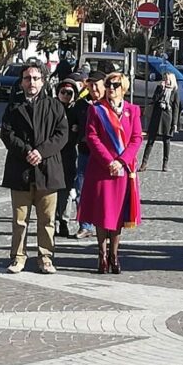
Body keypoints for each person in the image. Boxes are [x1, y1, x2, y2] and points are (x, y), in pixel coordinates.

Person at [0, 62, 68, 274]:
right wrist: (27, 151)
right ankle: (18, 256)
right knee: (20, 220)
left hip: (48, 170)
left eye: (36, 78)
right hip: (21, 170)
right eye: (28, 78)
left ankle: (46, 257)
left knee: (47, 219)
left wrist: (41, 152)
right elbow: (7, 133)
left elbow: (62, 134)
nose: (32, 82)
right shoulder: (13, 106)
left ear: (43, 81)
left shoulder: (55, 105)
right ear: (21, 82)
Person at [76, 71, 143, 274]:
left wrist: (122, 161)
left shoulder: (133, 110)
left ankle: (115, 254)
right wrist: (109, 161)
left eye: (115, 85)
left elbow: (137, 138)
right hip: (101, 169)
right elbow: (92, 136)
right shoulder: (97, 110)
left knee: (118, 215)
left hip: (124, 170)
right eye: (109, 85)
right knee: (102, 213)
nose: (111, 89)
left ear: (123, 87)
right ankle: (102, 255)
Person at [74, 70, 105, 239]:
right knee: (82, 189)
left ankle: (103, 223)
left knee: (102, 192)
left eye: (97, 85)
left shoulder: (108, 105)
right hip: (85, 153)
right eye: (91, 85)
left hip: (104, 157)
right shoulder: (82, 104)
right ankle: (85, 225)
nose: (94, 88)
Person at [54, 76, 80, 237]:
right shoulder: (51, 108)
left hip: (69, 154)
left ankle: (64, 221)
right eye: (63, 92)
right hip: (52, 155)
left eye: (69, 92)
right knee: (51, 190)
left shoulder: (77, 110)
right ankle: (52, 221)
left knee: (66, 189)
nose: (66, 95)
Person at [139, 71, 180, 172]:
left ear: (172, 80)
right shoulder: (159, 88)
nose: (166, 81)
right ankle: (144, 163)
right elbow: (154, 100)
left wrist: (174, 123)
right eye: (165, 79)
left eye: (167, 79)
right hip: (156, 117)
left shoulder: (174, 92)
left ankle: (165, 164)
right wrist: (161, 90)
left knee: (166, 142)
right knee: (150, 141)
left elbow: (176, 109)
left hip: (167, 119)